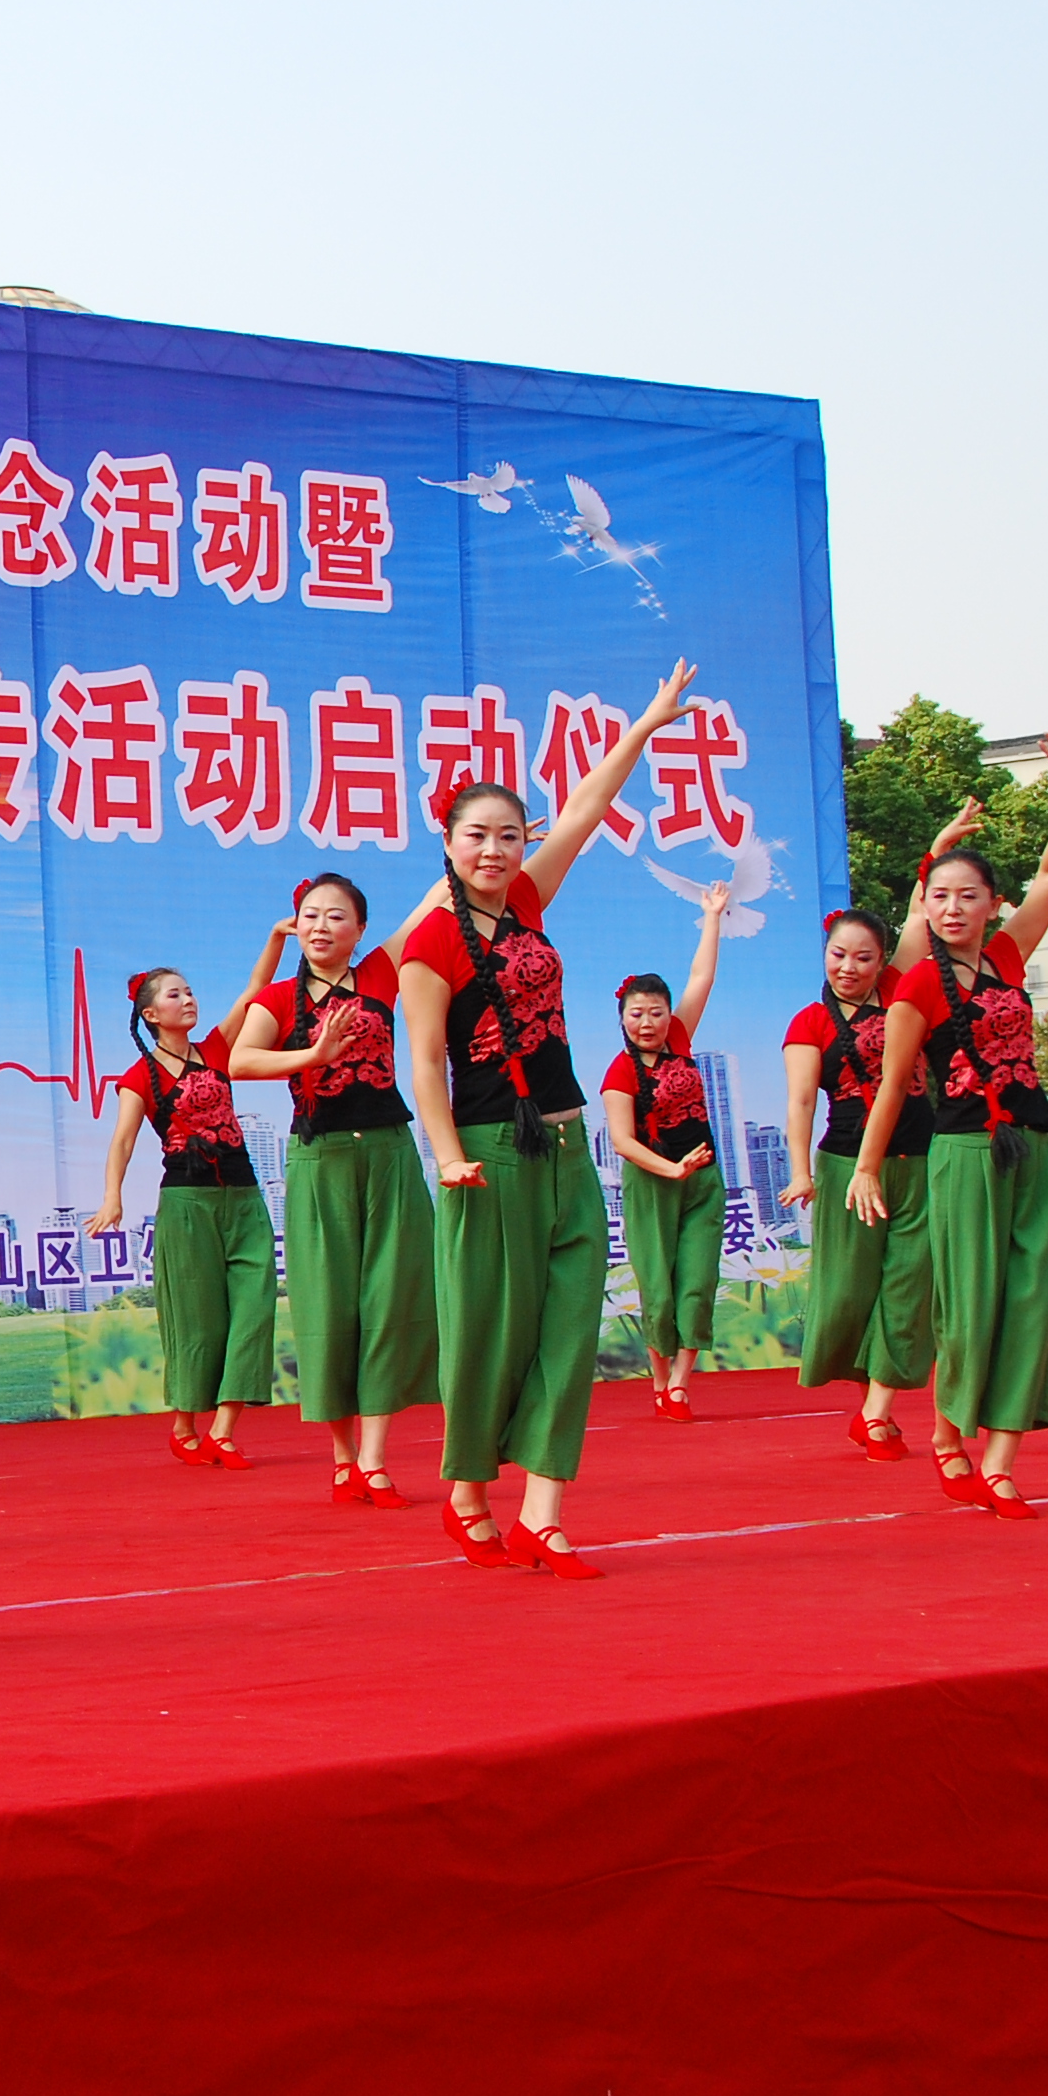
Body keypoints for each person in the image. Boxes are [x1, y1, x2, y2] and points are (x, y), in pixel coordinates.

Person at [396, 662, 697, 1583]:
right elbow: (426, 1064)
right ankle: (467, 1494)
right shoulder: (429, 941)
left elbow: (586, 808)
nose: (494, 851)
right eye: (476, 836)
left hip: (566, 1145)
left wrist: (645, 726)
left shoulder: (526, 901)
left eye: (508, 835)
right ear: (447, 842)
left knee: (569, 1327)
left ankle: (544, 1515)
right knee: (494, 1328)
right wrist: (448, 1156)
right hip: (489, 1154)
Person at [849, 734, 1048, 1518]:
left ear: (993, 904)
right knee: (969, 1301)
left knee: (1029, 1300)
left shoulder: (1009, 962)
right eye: (940, 896)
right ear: (926, 906)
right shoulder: (918, 984)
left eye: (968, 896)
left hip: (1033, 1149)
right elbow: (894, 1087)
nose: (953, 908)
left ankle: (1001, 1461)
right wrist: (866, 1166)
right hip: (960, 1153)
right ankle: (948, 1430)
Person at [227, 875, 438, 1505]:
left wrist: (468, 843)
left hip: (389, 1152)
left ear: (360, 929)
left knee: (389, 1301)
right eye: (310, 915)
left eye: (336, 916)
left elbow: (433, 903)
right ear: (297, 926)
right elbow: (240, 1060)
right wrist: (313, 1056)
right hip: (320, 1159)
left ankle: (373, 1459)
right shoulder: (279, 998)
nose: (321, 926)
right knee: (328, 1307)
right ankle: (345, 1456)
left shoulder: (379, 972)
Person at [87, 961, 280, 1468]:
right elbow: (123, 1141)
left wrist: (278, 938)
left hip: (244, 1199)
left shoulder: (216, 1048)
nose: (188, 1000)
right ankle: (184, 1427)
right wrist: (112, 1197)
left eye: (190, 992)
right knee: (197, 1322)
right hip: (187, 1205)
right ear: (151, 1014)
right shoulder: (139, 1077)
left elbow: (255, 990)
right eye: (175, 995)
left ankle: (223, 1430)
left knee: (255, 1310)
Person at [785, 906, 936, 1457]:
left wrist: (936, 865)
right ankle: (870, 1400)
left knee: (909, 1284)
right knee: (850, 1290)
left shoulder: (898, 990)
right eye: (838, 955)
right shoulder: (810, 1022)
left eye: (863, 958)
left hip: (920, 1158)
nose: (848, 967)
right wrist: (801, 1172)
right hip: (848, 1165)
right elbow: (802, 1101)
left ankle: (875, 1414)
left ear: (882, 961)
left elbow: (919, 914)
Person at [601, 884, 731, 1421]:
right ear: (623, 1019)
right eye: (637, 1014)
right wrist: (672, 1169)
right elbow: (623, 1141)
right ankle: (659, 1378)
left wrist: (712, 917)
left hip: (703, 1181)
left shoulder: (679, 1038)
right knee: (658, 1289)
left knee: (696, 1283)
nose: (648, 1023)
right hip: (653, 1184)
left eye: (656, 1012)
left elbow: (702, 977)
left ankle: (679, 1383)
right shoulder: (620, 1072)